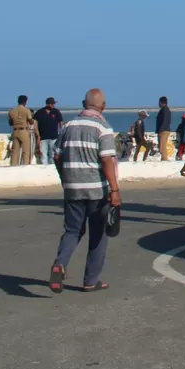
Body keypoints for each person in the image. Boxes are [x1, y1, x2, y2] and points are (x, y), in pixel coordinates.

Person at [49, 88, 121, 293]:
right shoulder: (103, 128)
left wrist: (66, 178)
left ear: (83, 103)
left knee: (72, 230)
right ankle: (91, 280)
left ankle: (60, 264)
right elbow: (107, 159)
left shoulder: (68, 126)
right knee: (98, 234)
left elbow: (57, 156)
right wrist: (114, 190)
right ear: (103, 106)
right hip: (97, 190)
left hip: (72, 187)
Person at [32, 97, 64, 165]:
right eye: (52, 104)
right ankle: (45, 170)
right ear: (48, 104)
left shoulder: (56, 111)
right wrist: (37, 133)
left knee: (52, 155)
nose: (53, 105)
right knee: (43, 156)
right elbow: (34, 121)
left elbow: (61, 122)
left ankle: (52, 168)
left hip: (54, 137)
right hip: (43, 137)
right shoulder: (40, 112)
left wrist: (62, 132)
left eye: (53, 104)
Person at [8, 95, 35, 166]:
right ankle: (25, 166)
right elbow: (31, 121)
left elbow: (10, 123)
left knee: (15, 152)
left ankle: (13, 166)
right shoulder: (26, 110)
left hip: (15, 131)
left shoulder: (12, 111)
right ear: (25, 101)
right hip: (24, 131)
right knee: (25, 151)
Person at [155, 96, 173, 161]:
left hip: (164, 131)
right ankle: (163, 159)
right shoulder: (165, 109)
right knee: (161, 147)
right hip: (163, 130)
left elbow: (165, 120)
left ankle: (164, 160)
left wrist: (161, 130)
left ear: (160, 102)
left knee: (162, 148)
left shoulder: (165, 109)